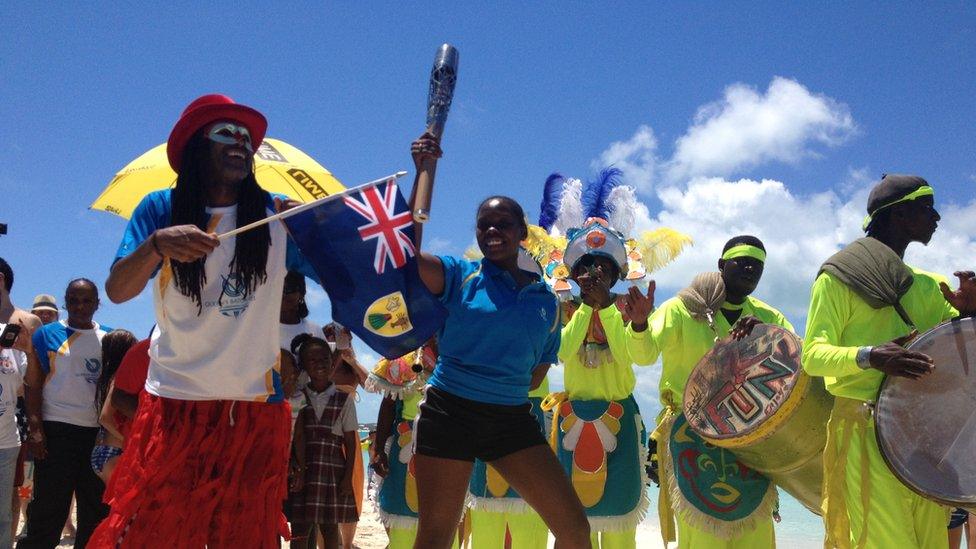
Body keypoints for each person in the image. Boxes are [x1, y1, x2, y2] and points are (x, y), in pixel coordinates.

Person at [90, 94, 318, 547]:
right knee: (158, 534)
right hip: (174, 402)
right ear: (197, 145)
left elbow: (352, 266)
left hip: (252, 407)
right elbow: (117, 291)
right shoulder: (160, 209)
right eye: (226, 133)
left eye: (247, 138)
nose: (241, 143)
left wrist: (312, 228)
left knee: (243, 537)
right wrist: (156, 245)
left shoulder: (277, 215)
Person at [408, 133, 590, 549]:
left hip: (509, 420)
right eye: (483, 225)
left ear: (522, 231)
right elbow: (406, 257)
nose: (492, 231)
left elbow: (534, 377)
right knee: (435, 535)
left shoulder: (546, 301)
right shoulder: (459, 275)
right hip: (448, 412)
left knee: (575, 530)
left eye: (502, 224)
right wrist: (424, 170)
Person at [802, 174, 976, 549]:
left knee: (930, 542)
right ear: (898, 214)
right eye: (927, 208)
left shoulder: (929, 287)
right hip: (864, 431)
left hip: (923, 438)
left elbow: (958, 356)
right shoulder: (837, 280)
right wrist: (869, 356)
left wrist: (969, 315)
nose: (938, 217)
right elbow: (812, 356)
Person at [628, 236, 794, 548]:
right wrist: (639, 325)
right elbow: (644, 355)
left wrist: (767, 335)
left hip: (751, 437)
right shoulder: (681, 308)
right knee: (703, 538)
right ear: (721, 265)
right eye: (741, 261)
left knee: (755, 535)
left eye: (757, 265)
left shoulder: (767, 316)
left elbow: (797, 362)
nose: (750, 268)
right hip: (692, 435)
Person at [19, 279, 111, 548]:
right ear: (66, 302)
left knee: (95, 511)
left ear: (97, 303)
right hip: (56, 433)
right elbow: (32, 384)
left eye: (86, 301)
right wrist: (35, 429)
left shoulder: (110, 337)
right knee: (48, 510)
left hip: (95, 436)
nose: (80, 306)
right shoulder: (46, 334)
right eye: (73, 300)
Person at [289, 335, 359, 549]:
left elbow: (351, 442)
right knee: (300, 528)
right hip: (305, 469)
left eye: (324, 359)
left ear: (332, 361)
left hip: (333, 472)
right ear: (304, 366)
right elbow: (296, 436)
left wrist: (348, 477)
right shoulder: (298, 397)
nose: (319, 364)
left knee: (330, 528)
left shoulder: (344, 399)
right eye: (312, 360)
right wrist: (296, 467)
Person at [90, 330, 137, 483]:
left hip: (104, 451)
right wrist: (131, 441)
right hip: (115, 451)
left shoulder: (106, 378)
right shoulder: (118, 378)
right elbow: (105, 418)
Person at [0, 320, 28, 549]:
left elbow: (23, 387)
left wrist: (28, 349)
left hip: (7, 442)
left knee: (2, 517)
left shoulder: (9, 337)